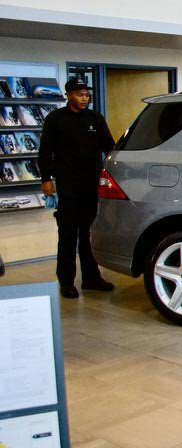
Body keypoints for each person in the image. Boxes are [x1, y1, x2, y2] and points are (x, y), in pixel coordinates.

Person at [39, 78, 116, 298]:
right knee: (68, 235)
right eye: (79, 94)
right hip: (68, 185)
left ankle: (91, 278)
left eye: (86, 95)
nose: (84, 98)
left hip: (91, 184)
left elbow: (109, 147)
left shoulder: (95, 118)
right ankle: (66, 281)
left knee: (89, 234)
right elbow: (45, 151)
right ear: (69, 95)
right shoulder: (55, 119)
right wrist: (46, 179)